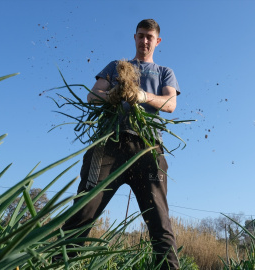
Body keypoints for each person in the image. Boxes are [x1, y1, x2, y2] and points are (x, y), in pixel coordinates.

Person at [61, 19, 180, 270]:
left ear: (157, 41)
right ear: (134, 38)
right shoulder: (117, 66)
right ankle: (57, 264)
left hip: (147, 147)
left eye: (150, 37)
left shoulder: (164, 72)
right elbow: (92, 95)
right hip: (109, 144)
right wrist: (112, 96)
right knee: (83, 211)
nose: (144, 40)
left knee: (159, 221)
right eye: (140, 36)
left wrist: (143, 96)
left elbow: (170, 104)